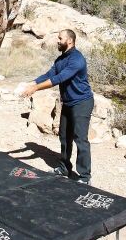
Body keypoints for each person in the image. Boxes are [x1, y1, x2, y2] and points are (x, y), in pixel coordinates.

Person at [21, 29, 94, 184]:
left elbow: (59, 78)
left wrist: (36, 89)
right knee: (64, 137)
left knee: (80, 139)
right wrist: (33, 82)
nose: (57, 41)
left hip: (81, 102)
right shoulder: (61, 59)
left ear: (69, 41)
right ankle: (64, 168)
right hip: (67, 102)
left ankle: (84, 177)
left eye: (60, 38)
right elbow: (51, 73)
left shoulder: (77, 59)